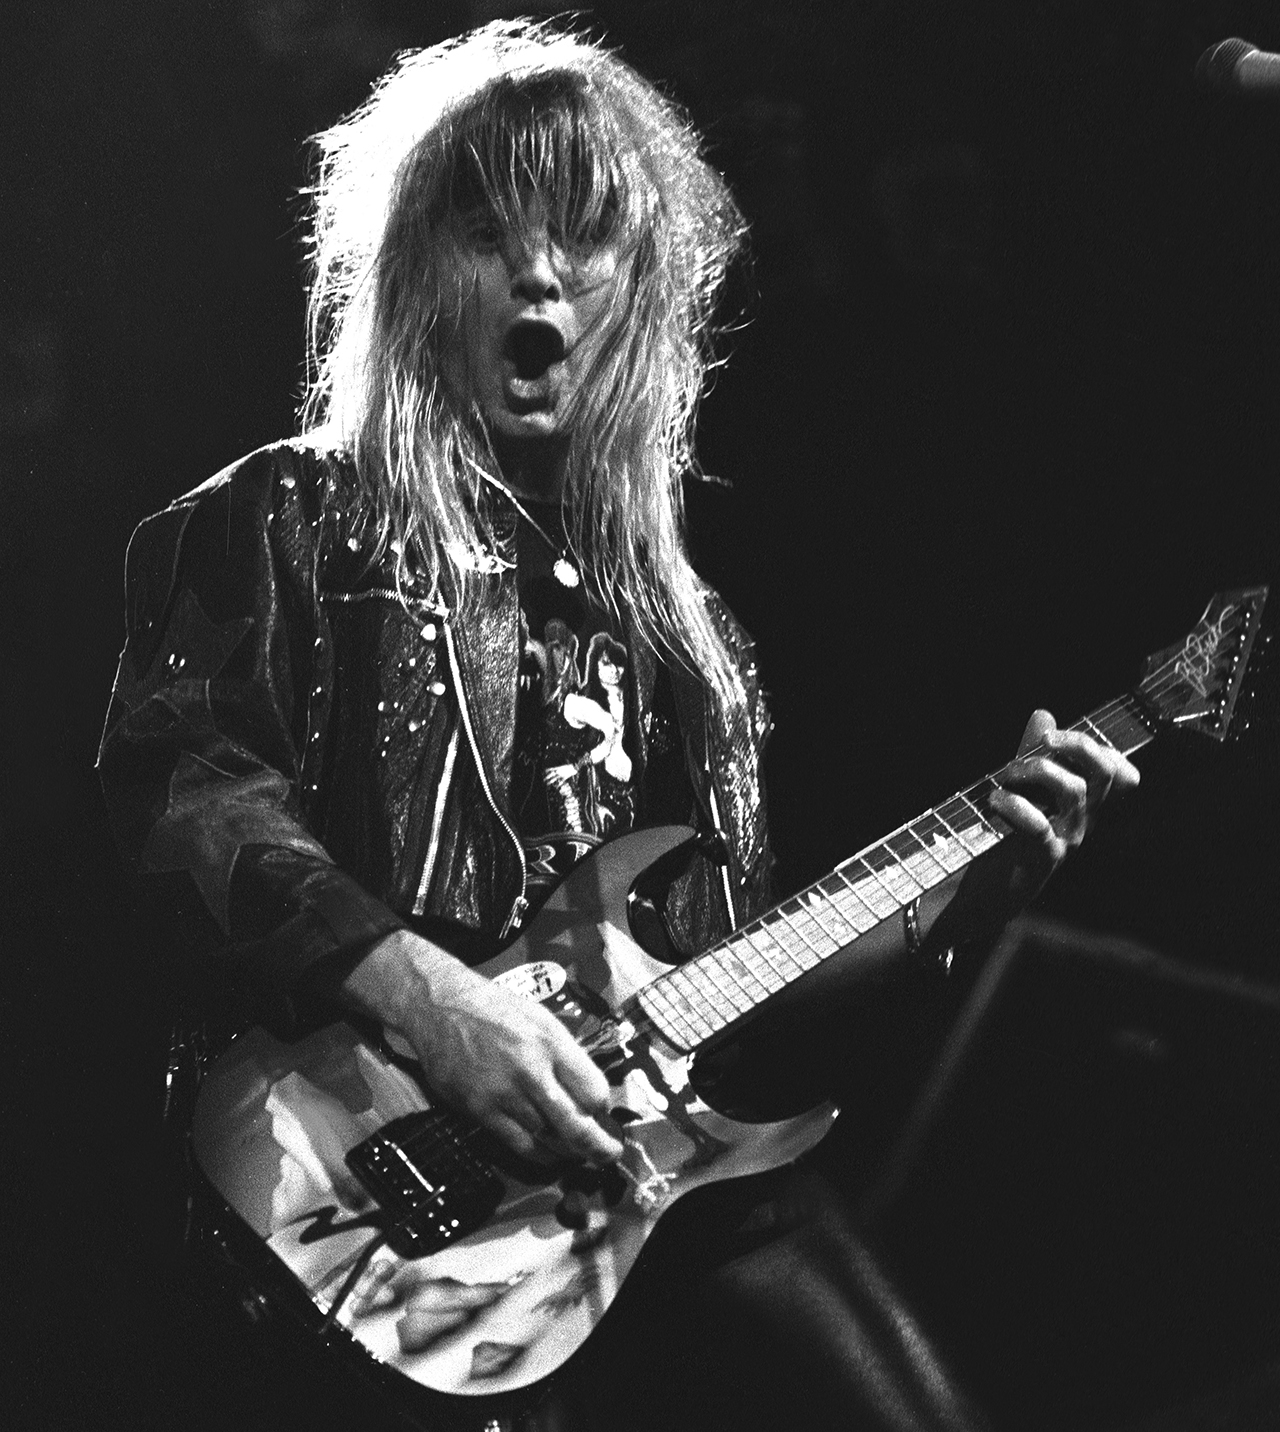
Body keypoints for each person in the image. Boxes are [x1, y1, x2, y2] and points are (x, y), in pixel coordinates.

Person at [97, 19, 1138, 1432]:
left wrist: (967, 889)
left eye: (584, 235)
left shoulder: (694, 651)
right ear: (412, 276)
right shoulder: (288, 519)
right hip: (340, 1175)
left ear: (640, 291)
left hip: (632, 1194)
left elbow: (719, 975)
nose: (537, 269)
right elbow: (183, 798)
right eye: (484, 228)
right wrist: (434, 1002)